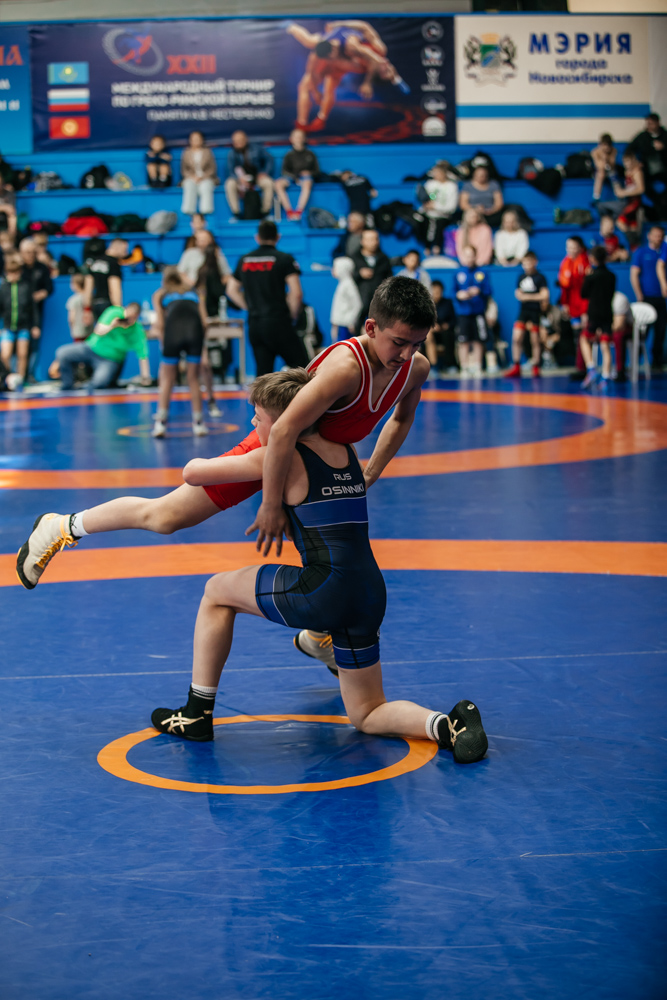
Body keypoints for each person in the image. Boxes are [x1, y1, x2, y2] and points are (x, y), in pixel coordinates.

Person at [17, 275, 436, 688]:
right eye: (398, 342)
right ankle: (62, 526)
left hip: (312, 464)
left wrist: (371, 472)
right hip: (273, 450)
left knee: (329, 561)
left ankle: (319, 637)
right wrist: (270, 505)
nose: (406, 354)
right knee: (165, 517)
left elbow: (402, 417)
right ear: (371, 327)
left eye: (417, 344)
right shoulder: (345, 368)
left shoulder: (414, 368)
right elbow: (283, 430)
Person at [150, 367, 488, 763]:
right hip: (368, 594)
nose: (253, 425)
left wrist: (257, 453)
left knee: (215, 593)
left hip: (323, 591)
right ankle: (446, 725)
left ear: (283, 424)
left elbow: (192, 472)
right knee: (367, 713)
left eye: (257, 418)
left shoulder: (281, 455)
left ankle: (196, 713)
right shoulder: (346, 450)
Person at [226, 220, 308, 376]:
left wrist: (250, 307)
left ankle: (262, 395)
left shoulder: (244, 259)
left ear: (257, 238)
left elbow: (231, 290)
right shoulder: (284, 258)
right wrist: (292, 316)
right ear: (278, 237)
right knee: (303, 370)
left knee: (263, 375)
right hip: (279, 321)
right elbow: (296, 293)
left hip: (256, 324)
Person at [151, 268, 208, 438]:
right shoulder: (195, 293)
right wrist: (202, 345)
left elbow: (160, 324)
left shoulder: (160, 294)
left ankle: (160, 423)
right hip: (194, 335)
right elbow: (204, 322)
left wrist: (164, 344)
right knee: (193, 379)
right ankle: (198, 423)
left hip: (173, 335)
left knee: (167, 379)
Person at [54, 302, 151, 392]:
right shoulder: (113, 312)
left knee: (99, 383)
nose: (128, 320)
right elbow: (98, 331)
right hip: (91, 348)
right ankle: (67, 386)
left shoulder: (137, 330)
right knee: (62, 353)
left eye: (133, 318)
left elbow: (143, 356)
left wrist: (145, 378)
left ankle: (84, 388)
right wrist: (113, 325)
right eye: (127, 317)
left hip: (109, 359)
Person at [505, 251, 550, 379]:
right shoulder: (521, 277)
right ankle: (516, 365)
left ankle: (536, 366)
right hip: (523, 312)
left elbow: (545, 295)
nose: (527, 265)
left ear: (535, 262)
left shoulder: (540, 277)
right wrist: (530, 296)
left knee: (535, 339)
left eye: (529, 262)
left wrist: (528, 297)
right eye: (524, 263)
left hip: (535, 312)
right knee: (516, 337)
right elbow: (518, 294)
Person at [578, 246, 617, 390]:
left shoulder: (592, 276)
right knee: (605, 346)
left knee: (584, 339)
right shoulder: (611, 276)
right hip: (607, 313)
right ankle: (605, 377)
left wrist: (588, 277)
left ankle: (591, 368)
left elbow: (583, 294)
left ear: (593, 259)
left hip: (594, 314)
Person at [630, 224, 667, 371]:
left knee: (660, 331)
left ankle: (657, 362)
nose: (658, 238)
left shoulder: (663, 252)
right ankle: (634, 363)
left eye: (660, 236)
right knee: (641, 333)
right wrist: (639, 294)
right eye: (655, 235)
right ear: (649, 236)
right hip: (646, 299)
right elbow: (634, 274)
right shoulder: (641, 252)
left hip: (661, 299)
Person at [0, 252, 39, 388]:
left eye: (15, 273)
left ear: (20, 273)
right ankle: (7, 379)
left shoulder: (26, 287)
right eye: (10, 273)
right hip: (8, 326)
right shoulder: (3, 288)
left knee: (22, 354)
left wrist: (35, 325)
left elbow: (33, 308)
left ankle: (20, 380)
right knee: (5, 354)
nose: (13, 276)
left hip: (23, 326)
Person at [454, 245, 492, 377]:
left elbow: (489, 291)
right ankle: (464, 368)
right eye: (466, 255)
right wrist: (459, 295)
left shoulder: (482, 272)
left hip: (478, 312)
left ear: (475, 256)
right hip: (463, 313)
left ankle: (477, 366)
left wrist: (479, 291)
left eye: (471, 255)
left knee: (478, 340)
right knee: (463, 341)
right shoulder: (458, 273)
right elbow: (453, 292)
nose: (469, 258)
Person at [558, 236, 590, 379]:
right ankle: (580, 367)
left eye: (573, 246)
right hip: (572, 305)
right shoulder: (565, 262)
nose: (570, 250)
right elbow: (564, 286)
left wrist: (586, 309)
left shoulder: (586, 261)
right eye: (568, 247)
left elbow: (587, 287)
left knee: (585, 335)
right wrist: (564, 304)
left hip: (584, 304)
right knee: (577, 336)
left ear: (580, 248)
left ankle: (588, 367)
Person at [597, 151, 645, 246]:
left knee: (620, 222)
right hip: (629, 201)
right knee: (631, 226)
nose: (627, 164)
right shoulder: (627, 172)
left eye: (629, 161)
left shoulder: (637, 172)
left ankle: (634, 242)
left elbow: (641, 189)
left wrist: (624, 192)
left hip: (635, 203)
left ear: (633, 161)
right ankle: (634, 245)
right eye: (625, 162)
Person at [225, 131, 274, 220]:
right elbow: (230, 171)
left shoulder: (257, 149)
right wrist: (239, 179)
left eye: (240, 140)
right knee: (229, 184)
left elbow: (269, 160)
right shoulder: (232, 153)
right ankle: (236, 214)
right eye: (236, 141)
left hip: (257, 177)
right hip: (240, 179)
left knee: (268, 183)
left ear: (246, 139)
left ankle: (265, 213)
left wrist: (264, 172)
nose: (238, 143)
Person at [351, 229, 393, 333]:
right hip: (358, 302)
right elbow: (347, 277)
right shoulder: (354, 258)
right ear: (362, 241)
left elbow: (389, 279)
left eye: (375, 239)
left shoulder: (384, 259)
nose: (373, 242)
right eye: (369, 239)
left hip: (379, 302)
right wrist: (359, 273)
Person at [626, 112, 667, 213]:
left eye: (651, 123)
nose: (649, 126)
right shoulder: (642, 136)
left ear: (657, 123)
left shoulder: (665, 135)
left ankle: (662, 201)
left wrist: (664, 148)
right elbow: (629, 150)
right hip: (647, 169)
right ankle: (658, 204)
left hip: (664, 168)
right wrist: (636, 162)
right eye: (647, 123)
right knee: (644, 184)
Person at [274, 129, 319, 221]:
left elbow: (317, 171)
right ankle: (289, 211)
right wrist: (295, 177)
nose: (298, 139)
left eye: (300, 137)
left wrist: (309, 173)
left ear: (304, 139)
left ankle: (299, 211)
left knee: (308, 182)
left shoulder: (310, 154)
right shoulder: (289, 155)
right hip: (291, 178)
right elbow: (284, 171)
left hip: (305, 179)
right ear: (291, 139)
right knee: (278, 184)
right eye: (296, 137)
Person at [416, 162, 459, 255]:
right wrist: (426, 205)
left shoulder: (452, 186)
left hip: (444, 216)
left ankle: (437, 247)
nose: (436, 175)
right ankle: (427, 247)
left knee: (438, 224)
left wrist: (435, 207)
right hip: (429, 214)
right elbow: (425, 200)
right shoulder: (429, 184)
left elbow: (452, 207)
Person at [82, 237, 127, 322]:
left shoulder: (95, 262)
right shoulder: (113, 263)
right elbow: (114, 288)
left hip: (96, 304)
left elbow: (88, 287)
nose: (126, 254)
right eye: (124, 250)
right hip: (108, 305)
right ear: (117, 247)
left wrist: (87, 309)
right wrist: (118, 309)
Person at [180, 131, 218, 217]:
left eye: (198, 138)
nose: (196, 141)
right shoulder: (186, 152)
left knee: (206, 186)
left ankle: (205, 212)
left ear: (202, 140)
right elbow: (184, 170)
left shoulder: (208, 152)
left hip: (206, 178)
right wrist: (192, 177)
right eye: (193, 139)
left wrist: (203, 177)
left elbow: (212, 169)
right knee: (188, 185)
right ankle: (189, 211)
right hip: (191, 178)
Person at [424, 279, 456, 374]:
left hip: (445, 331)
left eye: (438, 291)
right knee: (428, 335)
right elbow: (422, 320)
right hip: (431, 332)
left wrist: (446, 325)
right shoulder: (426, 304)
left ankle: (449, 365)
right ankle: (433, 366)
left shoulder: (447, 303)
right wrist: (431, 326)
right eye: (434, 291)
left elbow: (453, 320)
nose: (436, 294)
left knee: (448, 335)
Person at [330, 256, 362, 341]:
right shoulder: (342, 284)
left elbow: (357, 304)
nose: (332, 270)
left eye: (335, 267)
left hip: (345, 325)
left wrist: (351, 321)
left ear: (342, 269)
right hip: (340, 323)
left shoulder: (348, 285)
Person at [591, 133, 618, 203]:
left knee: (613, 174)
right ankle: (596, 197)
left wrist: (607, 159)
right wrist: (603, 158)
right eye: (604, 145)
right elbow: (599, 166)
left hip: (610, 171)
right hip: (598, 172)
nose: (606, 147)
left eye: (608, 145)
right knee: (601, 173)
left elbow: (612, 164)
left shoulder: (614, 150)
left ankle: (618, 194)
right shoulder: (595, 152)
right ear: (600, 144)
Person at [66, 274, 87, 342]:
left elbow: (71, 318)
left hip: (78, 332)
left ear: (75, 285)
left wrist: (72, 329)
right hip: (90, 331)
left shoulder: (73, 300)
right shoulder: (90, 298)